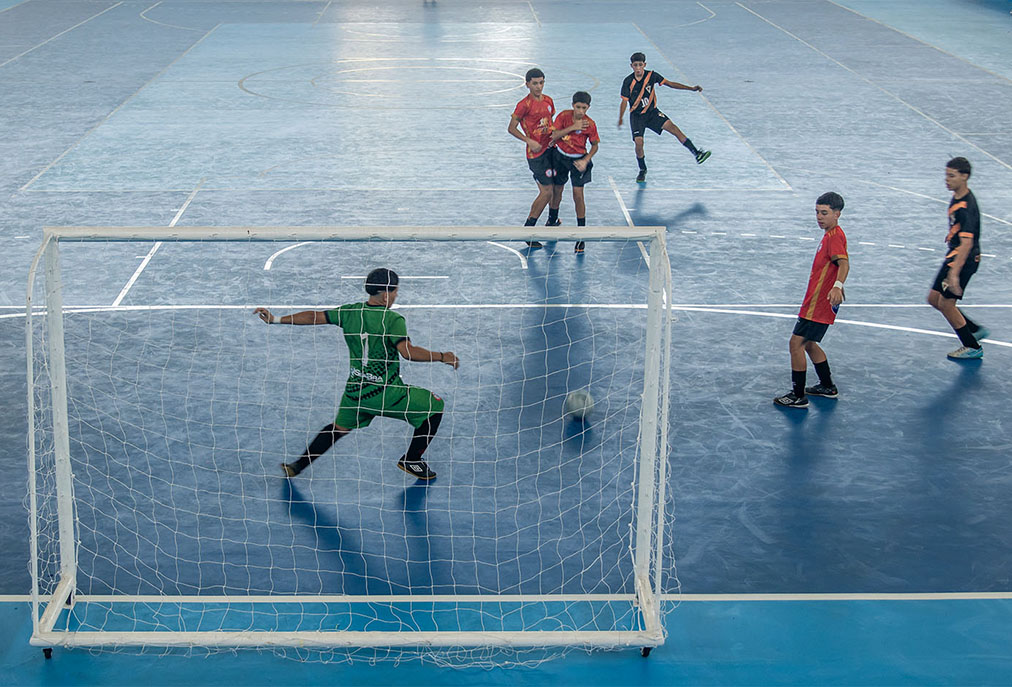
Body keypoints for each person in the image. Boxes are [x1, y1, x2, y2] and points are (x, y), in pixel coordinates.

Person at [254, 268, 459, 481]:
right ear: (386, 295)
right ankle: (412, 459)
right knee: (435, 406)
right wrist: (442, 356)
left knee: (337, 429)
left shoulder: (350, 312)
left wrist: (275, 319)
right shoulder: (392, 319)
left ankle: (297, 466)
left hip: (356, 393)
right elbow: (408, 352)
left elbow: (314, 316)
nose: (396, 295)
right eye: (396, 291)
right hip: (386, 393)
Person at [774, 192, 849, 409]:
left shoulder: (834, 237)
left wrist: (837, 285)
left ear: (837, 214)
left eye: (824, 213)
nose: (819, 217)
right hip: (817, 301)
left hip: (819, 302)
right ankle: (827, 386)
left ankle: (798, 396)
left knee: (796, 343)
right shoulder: (830, 235)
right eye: (817, 212)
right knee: (808, 343)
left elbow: (844, 263)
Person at [927, 157, 989, 360]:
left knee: (946, 304)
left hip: (963, 260)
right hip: (953, 255)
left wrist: (954, 274)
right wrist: (952, 234)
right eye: (946, 175)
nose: (947, 180)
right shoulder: (958, 196)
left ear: (965, 177)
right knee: (934, 299)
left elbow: (967, 243)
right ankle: (973, 328)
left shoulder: (966, 206)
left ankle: (972, 346)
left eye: (952, 176)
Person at [617, 52, 711, 183]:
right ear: (631, 66)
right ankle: (642, 169)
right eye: (635, 65)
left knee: (674, 129)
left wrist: (691, 88)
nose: (638, 68)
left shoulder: (652, 76)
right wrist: (621, 117)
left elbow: (670, 84)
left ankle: (697, 153)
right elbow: (624, 101)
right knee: (639, 143)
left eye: (640, 65)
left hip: (652, 113)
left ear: (644, 65)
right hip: (637, 117)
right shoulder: (628, 81)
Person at [508, 68, 563, 248]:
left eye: (541, 83)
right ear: (527, 84)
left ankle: (552, 221)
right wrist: (529, 140)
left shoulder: (548, 101)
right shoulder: (524, 105)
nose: (538, 87)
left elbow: (550, 123)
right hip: (536, 155)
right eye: (535, 83)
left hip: (551, 150)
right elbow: (511, 128)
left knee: (558, 187)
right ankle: (528, 230)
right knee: (546, 192)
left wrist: (556, 136)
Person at [550, 91, 600, 253]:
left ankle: (581, 234)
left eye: (584, 108)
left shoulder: (590, 124)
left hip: (578, 160)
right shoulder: (563, 116)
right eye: (578, 107)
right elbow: (554, 135)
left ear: (588, 108)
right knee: (557, 190)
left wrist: (586, 160)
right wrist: (573, 127)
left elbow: (595, 145)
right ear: (573, 105)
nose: (580, 111)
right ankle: (552, 221)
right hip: (560, 157)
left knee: (578, 195)